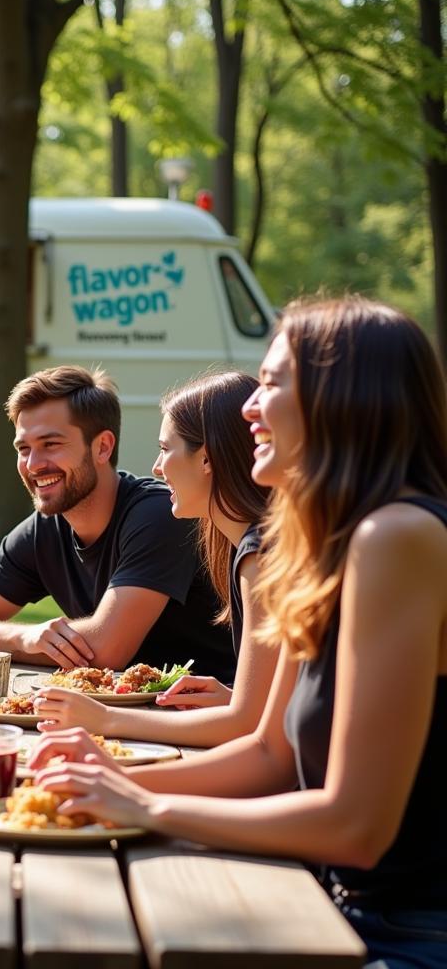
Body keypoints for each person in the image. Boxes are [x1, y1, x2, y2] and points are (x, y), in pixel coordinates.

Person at [29, 297, 447, 968]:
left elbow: (356, 827)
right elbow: (269, 753)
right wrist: (104, 773)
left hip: (401, 934)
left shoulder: (396, 536)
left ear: (345, 397)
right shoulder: (331, 547)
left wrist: (144, 803)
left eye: (274, 383)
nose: (251, 406)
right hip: (337, 905)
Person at [0, 365, 235, 680]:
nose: (33, 465)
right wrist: (22, 637)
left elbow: (105, 651)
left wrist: (8, 644)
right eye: (24, 448)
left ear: (103, 447)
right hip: (120, 713)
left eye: (50, 444)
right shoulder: (43, 530)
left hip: (210, 715)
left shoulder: (160, 514)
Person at [34, 371, 277, 747]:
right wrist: (235, 698)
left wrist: (106, 718)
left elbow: (246, 727)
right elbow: (273, 710)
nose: (157, 468)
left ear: (208, 458)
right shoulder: (238, 545)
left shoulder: (259, 556)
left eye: (165, 449)